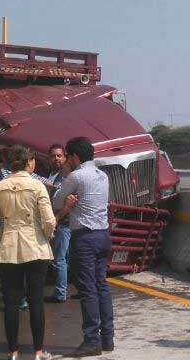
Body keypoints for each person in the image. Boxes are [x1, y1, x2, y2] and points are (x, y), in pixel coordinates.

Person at [0, 145, 58, 360]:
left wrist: (3, 238)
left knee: (11, 302)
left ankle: (13, 352)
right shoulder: (37, 186)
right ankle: (38, 352)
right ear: (29, 162)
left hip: (9, 248)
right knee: (36, 300)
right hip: (35, 247)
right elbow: (48, 220)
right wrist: (46, 236)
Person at [53, 137, 114, 357]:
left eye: (68, 156)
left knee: (87, 289)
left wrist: (68, 171)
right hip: (103, 234)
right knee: (101, 286)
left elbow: (57, 202)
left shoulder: (76, 176)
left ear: (74, 157)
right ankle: (107, 338)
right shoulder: (102, 175)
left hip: (85, 237)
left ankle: (91, 341)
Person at [46, 143, 73, 303]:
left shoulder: (66, 176)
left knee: (59, 259)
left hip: (63, 222)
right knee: (64, 258)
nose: (56, 158)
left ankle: (60, 292)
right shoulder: (52, 175)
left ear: (65, 157)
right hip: (58, 221)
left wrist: (56, 219)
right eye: (53, 156)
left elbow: (69, 203)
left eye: (59, 155)